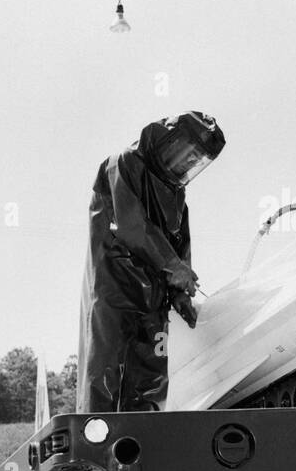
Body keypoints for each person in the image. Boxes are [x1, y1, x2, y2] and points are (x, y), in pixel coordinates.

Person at [78, 112, 225, 412]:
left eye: (197, 158)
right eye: (189, 152)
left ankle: (142, 449)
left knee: (150, 382)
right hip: (114, 290)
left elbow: (180, 245)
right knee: (104, 371)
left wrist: (180, 295)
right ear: (170, 141)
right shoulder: (122, 164)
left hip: (154, 304)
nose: (190, 162)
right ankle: (92, 445)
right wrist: (174, 267)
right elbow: (131, 225)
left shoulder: (177, 195)